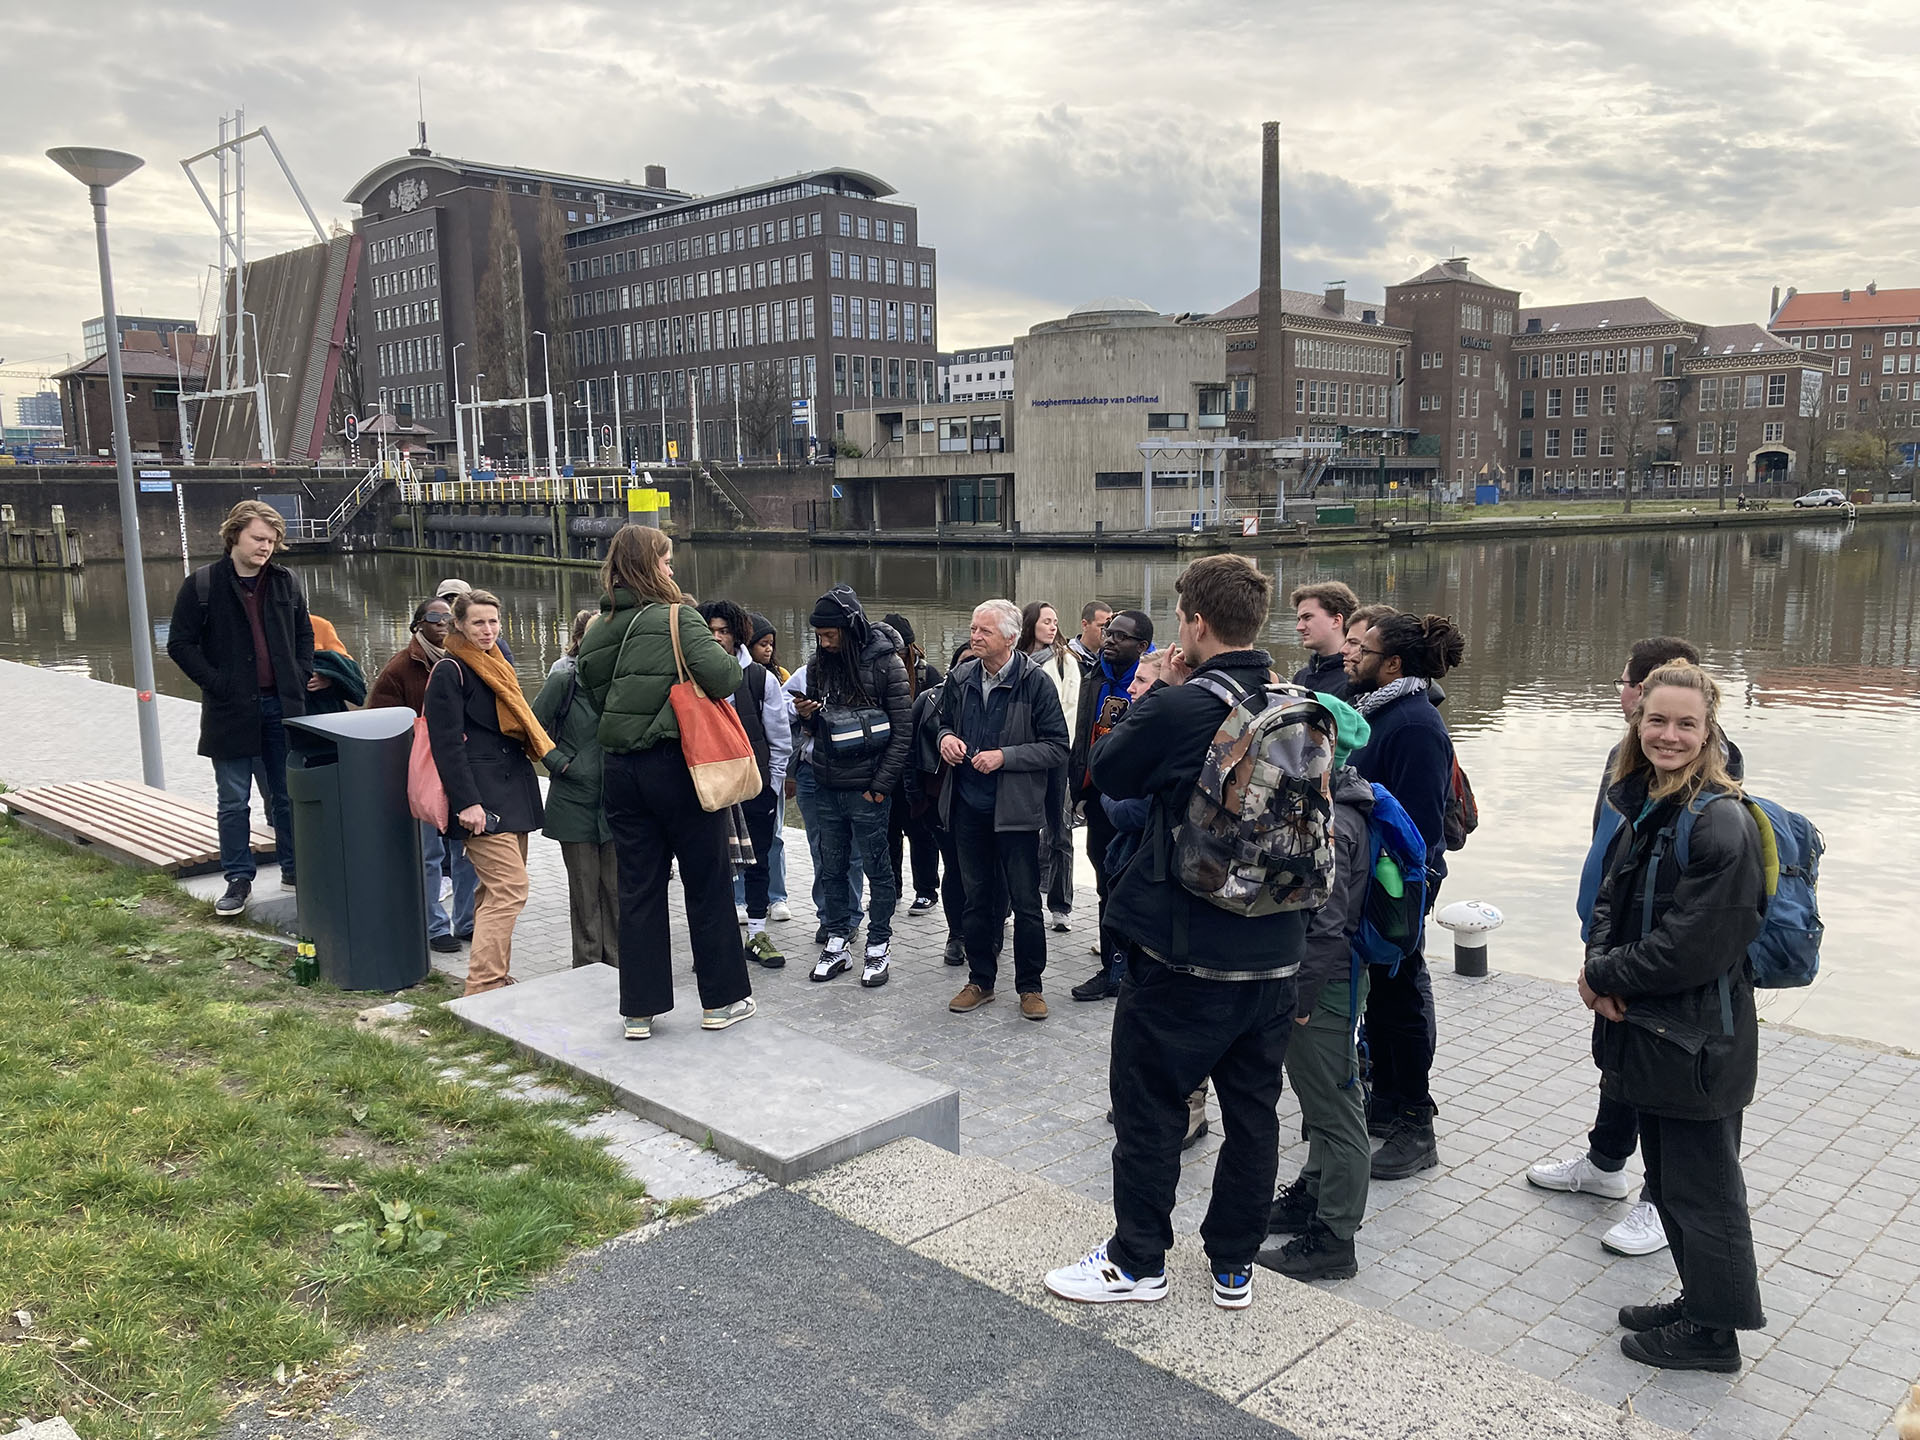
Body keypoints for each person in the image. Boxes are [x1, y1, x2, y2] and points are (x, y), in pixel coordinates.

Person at [1044, 554, 1303, 1311]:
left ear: (1191, 622)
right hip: (1277, 950)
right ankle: (1232, 1268)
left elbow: (1107, 774)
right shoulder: (1296, 700)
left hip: (1186, 953)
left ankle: (1138, 1261)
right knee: (1254, 1113)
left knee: (1150, 1103)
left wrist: (1152, 688)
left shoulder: (1184, 704)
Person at [1583, 661, 1766, 1372]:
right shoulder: (1655, 802)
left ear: (1709, 730)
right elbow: (1611, 896)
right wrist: (1598, 971)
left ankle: (1715, 1335)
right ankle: (1699, 1301)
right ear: (1638, 721)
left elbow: (1698, 942)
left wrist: (1605, 974)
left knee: (1705, 1192)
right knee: (1673, 1181)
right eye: (1656, 720)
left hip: (1698, 1041)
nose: (1668, 734)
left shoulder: (1718, 820)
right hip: (1661, 1035)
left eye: (1686, 724)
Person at [1527, 636, 1707, 1259]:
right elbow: (1609, 851)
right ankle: (1606, 1163)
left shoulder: (1710, 780)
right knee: (1618, 1057)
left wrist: (1627, 959)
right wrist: (1595, 941)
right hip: (1611, 934)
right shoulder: (1625, 758)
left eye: (1627, 682)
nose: (1623, 694)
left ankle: (1660, 1201)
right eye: (1655, 717)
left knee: (1660, 1072)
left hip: (1657, 954)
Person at [577, 525, 756, 1039]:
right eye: (666, 560)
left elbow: (593, 695)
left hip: (621, 771)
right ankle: (720, 1002)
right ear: (649, 566)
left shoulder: (597, 628)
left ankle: (639, 1011)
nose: (672, 570)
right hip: (679, 768)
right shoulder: (679, 618)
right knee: (707, 883)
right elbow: (726, 679)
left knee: (638, 887)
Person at [1260, 694, 1378, 1282]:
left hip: (1324, 988)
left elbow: (1328, 925)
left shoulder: (1337, 821)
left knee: (1335, 1109)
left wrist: (1300, 1004)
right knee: (1318, 1100)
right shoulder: (1328, 803)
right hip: (1327, 982)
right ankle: (1312, 1192)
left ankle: (1335, 1237)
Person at [1346, 610, 1465, 1181]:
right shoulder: (1380, 713)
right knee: (1385, 1000)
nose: (1350, 653)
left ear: (1391, 664)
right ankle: (1388, 1103)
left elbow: (1417, 825)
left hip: (1397, 883)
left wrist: (1396, 896)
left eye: (1361, 647)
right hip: (1371, 875)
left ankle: (1416, 1123)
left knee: (1402, 995)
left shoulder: (1414, 724)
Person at [166, 500, 314, 917]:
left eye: (272, 540)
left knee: (285, 796)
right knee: (233, 799)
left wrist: (299, 675)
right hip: (230, 711)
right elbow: (180, 644)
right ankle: (238, 878)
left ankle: (295, 869)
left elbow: (304, 634)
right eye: (258, 538)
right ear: (235, 535)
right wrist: (218, 684)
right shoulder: (202, 585)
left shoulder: (286, 583)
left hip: (281, 707)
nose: (266, 547)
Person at [937, 600, 1070, 1020]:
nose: (974, 637)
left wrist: (1004, 757)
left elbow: (1056, 746)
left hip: (1015, 813)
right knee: (976, 899)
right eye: (974, 628)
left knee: (1026, 903)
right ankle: (981, 981)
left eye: (984, 631)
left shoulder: (1035, 683)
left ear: (1010, 638)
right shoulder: (960, 677)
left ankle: (1030, 987)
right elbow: (940, 723)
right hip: (969, 808)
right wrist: (945, 739)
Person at [425, 589, 556, 997]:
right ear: (459, 624)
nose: (488, 630)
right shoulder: (451, 669)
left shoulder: (499, 664)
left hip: (512, 789)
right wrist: (467, 803)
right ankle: (481, 986)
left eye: (493, 622)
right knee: (510, 887)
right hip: (481, 797)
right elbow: (445, 744)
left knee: (490, 892)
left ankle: (495, 975)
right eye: (478, 622)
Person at [793, 585, 912, 988]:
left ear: (850, 629)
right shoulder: (816, 664)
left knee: (879, 868)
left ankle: (878, 944)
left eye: (830, 636)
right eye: (819, 636)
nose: (824, 644)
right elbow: (813, 730)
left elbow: (903, 732)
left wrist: (880, 787)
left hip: (867, 788)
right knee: (832, 866)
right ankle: (838, 939)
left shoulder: (887, 664)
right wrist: (806, 715)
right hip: (827, 784)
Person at [368, 596, 477, 954]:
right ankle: (434, 925)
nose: (443, 622)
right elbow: (380, 724)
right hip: (423, 773)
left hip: (459, 770)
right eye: (434, 616)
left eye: (449, 617)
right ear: (418, 624)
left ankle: (467, 920)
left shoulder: (464, 661)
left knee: (465, 851)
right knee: (429, 854)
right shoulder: (401, 668)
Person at [700, 599, 792, 970]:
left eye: (724, 631)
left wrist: (775, 781)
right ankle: (716, 939)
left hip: (755, 785)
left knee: (758, 860)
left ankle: (756, 933)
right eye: (710, 631)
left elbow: (779, 736)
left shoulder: (759, 677)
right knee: (711, 862)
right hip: (708, 785)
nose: (717, 637)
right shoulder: (691, 675)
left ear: (737, 634)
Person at [1066, 609, 1153, 1000]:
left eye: (1121, 636)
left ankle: (1132, 965)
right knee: (1104, 880)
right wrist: (1078, 787)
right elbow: (1083, 732)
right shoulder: (1093, 676)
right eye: (1108, 632)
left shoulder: (1149, 684)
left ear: (1143, 646)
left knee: (1131, 883)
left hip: (1134, 801)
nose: (1110, 640)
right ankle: (1111, 967)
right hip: (1097, 794)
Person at [533, 609, 619, 970]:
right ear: (580, 640)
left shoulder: (625, 681)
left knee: (617, 891)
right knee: (585, 892)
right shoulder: (564, 681)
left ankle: (618, 965)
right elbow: (531, 729)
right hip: (574, 800)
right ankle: (586, 967)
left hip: (618, 801)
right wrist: (560, 763)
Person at [1020, 601, 1081, 934]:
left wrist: (1058, 748)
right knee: (1019, 829)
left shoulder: (1064, 660)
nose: (1052, 626)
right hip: (1023, 754)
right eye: (1046, 621)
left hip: (1055, 754)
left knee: (1060, 828)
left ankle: (1060, 903)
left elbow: (1069, 708)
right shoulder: (1017, 660)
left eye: (1056, 621)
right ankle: (1018, 900)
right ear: (1031, 624)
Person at [883, 612, 945, 917]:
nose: (894, 656)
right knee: (888, 831)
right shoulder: (875, 673)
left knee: (921, 832)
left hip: (917, 766)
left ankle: (926, 890)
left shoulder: (927, 676)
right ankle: (891, 888)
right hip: (885, 767)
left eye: (899, 650)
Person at [742, 611, 793, 923]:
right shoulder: (730, 677)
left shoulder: (778, 677)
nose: (768, 649)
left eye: (771, 644)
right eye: (761, 643)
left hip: (767, 776)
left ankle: (777, 896)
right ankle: (742, 899)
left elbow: (780, 733)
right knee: (739, 842)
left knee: (774, 837)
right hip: (738, 776)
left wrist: (777, 778)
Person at [1289, 581, 1358, 698]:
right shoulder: (1300, 677)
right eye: (1299, 619)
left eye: (1307, 617)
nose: (1299, 627)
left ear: (1336, 620)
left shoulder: (1356, 682)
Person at [435, 577, 515, 664]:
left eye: (493, 621)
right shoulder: (448, 665)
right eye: (448, 600)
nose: (452, 605)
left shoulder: (499, 647)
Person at [304, 614, 368, 714]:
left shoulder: (320, 626)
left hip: (320, 711)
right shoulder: (271, 628)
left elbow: (349, 671)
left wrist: (329, 678)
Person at [1068, 600, 1112, 674]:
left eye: (1109, 626)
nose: (1106, 631)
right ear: (1085, 625)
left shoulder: (1109, 657)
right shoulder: (1067, 657)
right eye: (1102, 626)